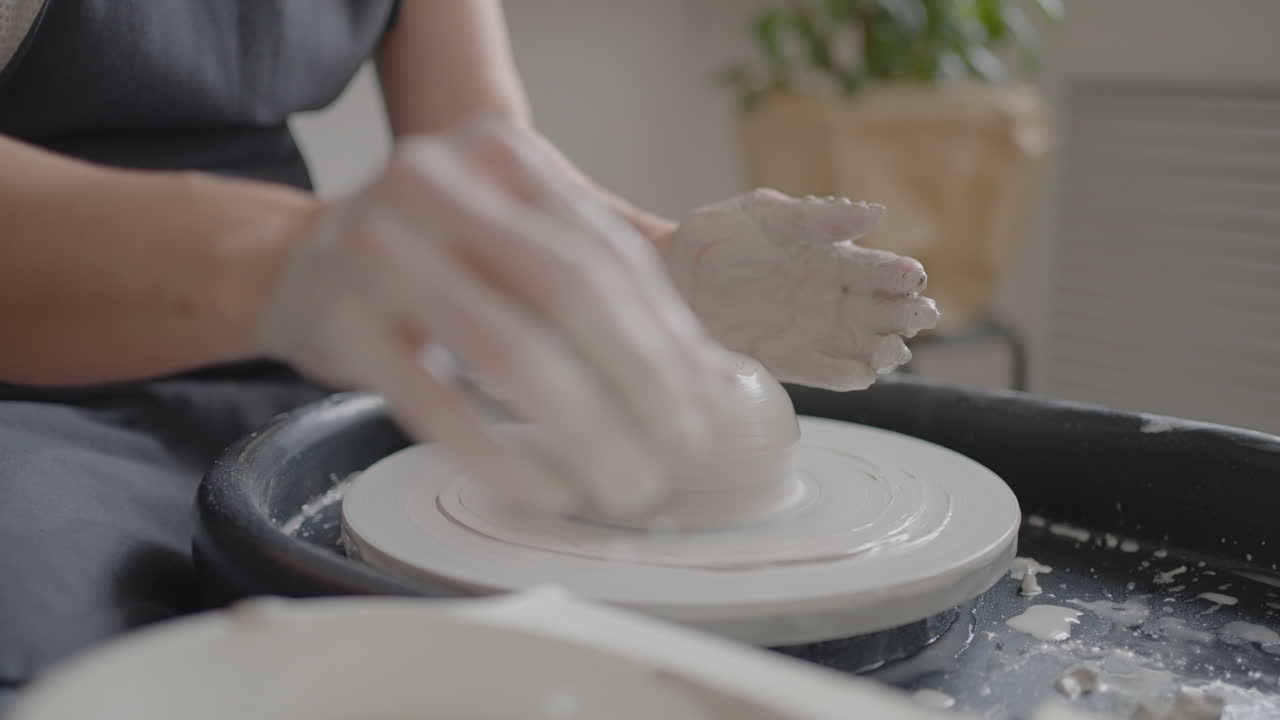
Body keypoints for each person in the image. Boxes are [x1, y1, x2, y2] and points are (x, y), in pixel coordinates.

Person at [0, 0, 938, 692]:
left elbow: (482, 147)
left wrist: (647, 263)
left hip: (300, 346)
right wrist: (284, 262)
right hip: (46, 370)